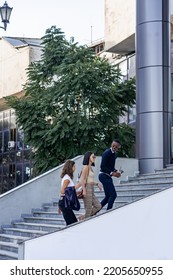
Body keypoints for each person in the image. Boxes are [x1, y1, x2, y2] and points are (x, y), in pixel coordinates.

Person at [99, 139, 122, 210]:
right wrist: (113, 173)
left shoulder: (114, 154)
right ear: (111, 144)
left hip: (107, 176)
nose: (114, 147)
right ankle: (108, 212)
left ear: (119, 147)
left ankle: (95, 211)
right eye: (113, 145)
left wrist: (116, 171)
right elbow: (102, 166)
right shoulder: (106, 153)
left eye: (116, 146)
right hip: (103, 175)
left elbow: (110, 167)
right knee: (113, 195)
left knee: (108, 196)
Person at [79, 151, 102, 220]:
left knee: (98, 206)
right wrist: (84, 191)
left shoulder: (90, 167)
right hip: (87, 188)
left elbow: (90, 181)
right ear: (88, 157)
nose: (94, 158)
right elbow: (82, 180)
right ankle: (85, 219)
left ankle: (83, 217)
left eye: (94, 156)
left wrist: (97, 184)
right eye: (93, 156)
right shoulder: (86, 167)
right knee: (88, 209)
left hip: (91, 188)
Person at [58, 160, 81, 225]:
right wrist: (76, 186)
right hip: (65, 203)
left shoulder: (67, 177)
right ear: (70, 167)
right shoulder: (67, 179)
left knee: (72, 223)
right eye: (74, 166)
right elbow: (62, 191)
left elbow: (67, 192)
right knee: (71, 223)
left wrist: (75, 192)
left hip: (65, 203)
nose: (75, 168)